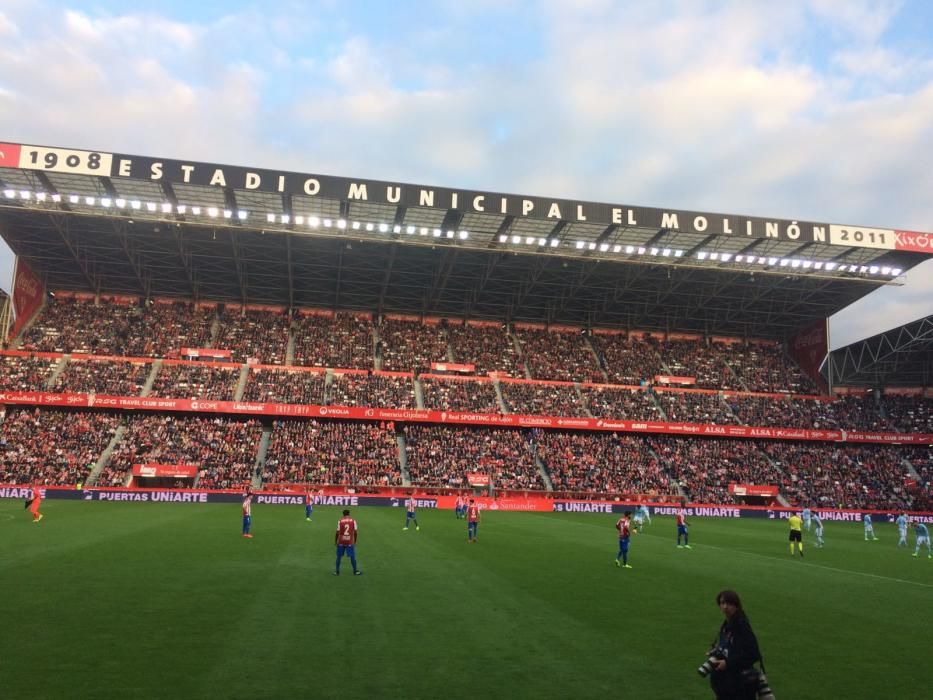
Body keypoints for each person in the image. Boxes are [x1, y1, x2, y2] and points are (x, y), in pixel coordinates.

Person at [708, 590, 764, 700]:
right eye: (722, 603)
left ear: (736, 605)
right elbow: (732, 648)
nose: (725, 607)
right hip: (727, 685)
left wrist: (728, 663)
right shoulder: (727, 624)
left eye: (729, 603)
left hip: (739, 687)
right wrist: (717, 651)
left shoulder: (741, 626)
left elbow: (753, 654)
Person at [334, 509, 362, 575]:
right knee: (352, 557)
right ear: (349, 514)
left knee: (338, 557)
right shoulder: (353, 521)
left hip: (341, 541)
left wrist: (335, 541)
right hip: (349, 541)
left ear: (343, 514)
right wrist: (355, 540)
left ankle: (337, 571)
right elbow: (355, 532)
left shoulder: (340, 521)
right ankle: (355, 571)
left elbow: (337, 532)